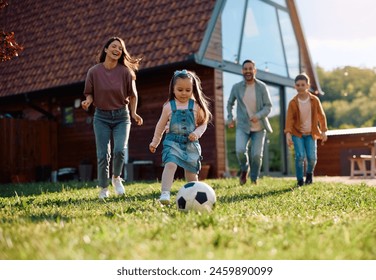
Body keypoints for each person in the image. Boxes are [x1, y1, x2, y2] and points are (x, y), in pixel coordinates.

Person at [81, 37, 143, 199]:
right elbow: (89, 92)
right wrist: (88, 101)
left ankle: (116, 178)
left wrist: (134, 112)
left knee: (120, 150)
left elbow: (133, 95)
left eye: (120, 48)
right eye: (114, 47)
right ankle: (103, 188)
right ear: (106, 50)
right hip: (101, 116)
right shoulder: (94, 71)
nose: (117, 50)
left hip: (122, 116)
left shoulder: (126, 72)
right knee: (103, 155)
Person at [149, 70, 212, 204]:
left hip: (190, 143)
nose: (184, 93)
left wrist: (196, 133)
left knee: (191, 172)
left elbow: (203, 124)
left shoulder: (196, 106)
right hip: (172, 141)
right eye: (180, 89)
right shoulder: (168, 107)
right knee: (170, 164)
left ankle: (195, 196)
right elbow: (160, 125)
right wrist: (155, 142)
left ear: (193, 90)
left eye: (188, 90)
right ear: (173, 89)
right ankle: (165, 194)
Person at [226, 59, 273, 185]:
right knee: (240, 150)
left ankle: (254, 179)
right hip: (243, 125)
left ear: (254, 70)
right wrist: (230, 118)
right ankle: (244, 169)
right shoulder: (236, 87)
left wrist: (258, 115)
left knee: (257, 155)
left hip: (259, 126)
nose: (248, 71)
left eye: (250, 69)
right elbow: (230, 103)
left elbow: (268, 106)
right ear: (242, 71)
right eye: (245, 69)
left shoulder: (262, 87)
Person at [284, 73, 328, 187]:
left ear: (307, 86)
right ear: (295, 87)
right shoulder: (293, 103)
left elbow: (321, 116)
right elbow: (289, 119)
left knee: (312, 158)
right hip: (297, 133)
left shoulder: (314, 100)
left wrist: (323, 131)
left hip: (311, 133)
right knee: (299, 156)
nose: (300, 87)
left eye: (303, 85)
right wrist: (288, 134)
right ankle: (299, 180)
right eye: (298, 85)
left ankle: (309, 174)